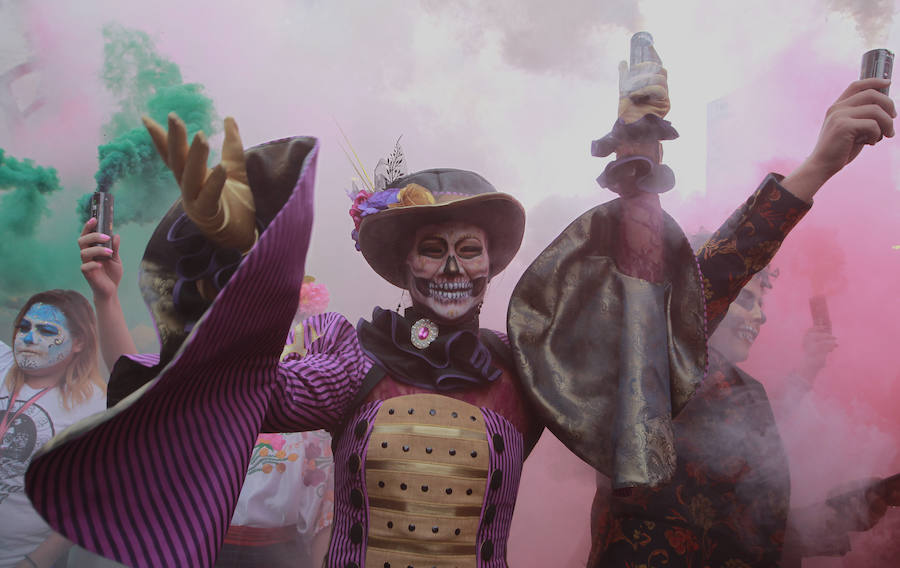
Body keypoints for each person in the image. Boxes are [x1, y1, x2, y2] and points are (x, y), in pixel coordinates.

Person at [25, 67, 894, 568]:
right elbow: (211, 384)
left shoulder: (527, 371)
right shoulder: (348, 364)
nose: (450, 264)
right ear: (403, 263)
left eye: (468, 247)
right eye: (431, 247)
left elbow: (679, 301)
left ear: (493, 260)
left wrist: (812, 169)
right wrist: (212, 269)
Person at [587, 269, 900, 567]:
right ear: (704, 299)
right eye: (746, 300)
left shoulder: (727, 383)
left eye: (761, 305)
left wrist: (849, 507)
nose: (761, 316)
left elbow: (742, 513)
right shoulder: (665, 369)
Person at [76, 224, 337, 568]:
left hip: (279, 554)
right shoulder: (200, 348)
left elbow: (326, 511)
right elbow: (137, 391)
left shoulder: (312, 356)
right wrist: (106, 297)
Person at [0, 290, 106, 568]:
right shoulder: (2, 365)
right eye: (23, 327)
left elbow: (87, 502)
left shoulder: (95, 406)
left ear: (79, 342)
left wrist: (35, 563)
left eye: (47, 330)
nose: (29, 338)